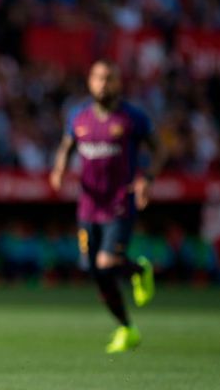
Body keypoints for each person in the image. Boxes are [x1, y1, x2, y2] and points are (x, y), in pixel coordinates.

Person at [50, 60, 165, 354]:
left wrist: (147, 179)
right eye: (99, 78)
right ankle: (127, 328)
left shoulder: (133, 117)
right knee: (93, 269)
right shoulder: (79, 116)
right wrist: (60, 169)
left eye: (109, 78)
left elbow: (159, 149)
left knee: (106, 263)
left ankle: (138, 270)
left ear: (119, 83)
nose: (104, 84)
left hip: (120, 203)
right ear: (90, 82)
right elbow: (67, 145)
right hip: (88, 206)